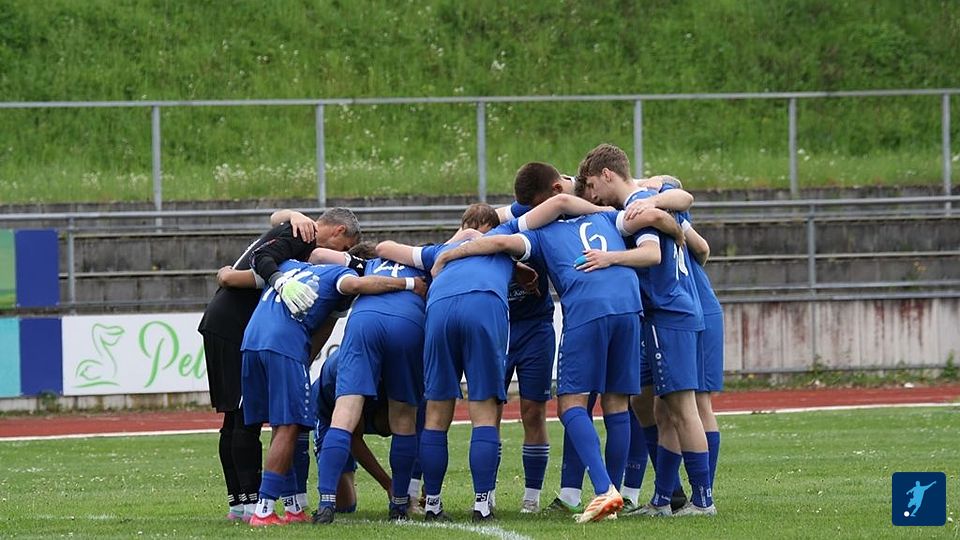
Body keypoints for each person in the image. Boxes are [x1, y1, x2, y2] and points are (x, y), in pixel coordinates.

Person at [430, 188, 683, 523]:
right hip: (628, 306)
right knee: (617, 404)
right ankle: (615, 499)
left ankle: (605, 490)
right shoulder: (608, 217)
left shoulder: (540, 231)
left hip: (587, 308)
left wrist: (449, 253)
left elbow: (500, 242)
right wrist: (677, 230)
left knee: (570, 406)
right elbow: (656, 213)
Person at [234, 248, 427, 527]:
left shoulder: (286, 266)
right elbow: (356, 285)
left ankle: (297, 506)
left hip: (250, 342)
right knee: (289, 427)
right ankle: (265, 511)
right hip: (285, 346)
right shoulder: (340, 274)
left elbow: (236, 275)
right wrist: (408, 284)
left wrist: (225, 273)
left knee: (280, 427)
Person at [579, 143, 715, 517]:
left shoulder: (637, 206)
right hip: (670, 312)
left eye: (592, 185)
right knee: (656, 405)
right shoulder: (644, 201)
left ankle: (703, 500)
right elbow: (678, 203)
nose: (592, 194)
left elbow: (652, 253)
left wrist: (609, 258)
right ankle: (663, 499)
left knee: (683, 408)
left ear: (607, 175)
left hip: (669, 312)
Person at [197, 209, 345, 522]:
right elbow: (260, 263)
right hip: (233, 325)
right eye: (343, 248)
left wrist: (292, 214)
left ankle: (240, 503)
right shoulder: (303, 236)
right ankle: (252, 505)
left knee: (234, 417)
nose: (337, 256)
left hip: (224, 322)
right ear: (339, 231)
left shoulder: (295, 229)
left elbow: (269, 233)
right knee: (243, 418)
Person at [375, 203, 509, 522]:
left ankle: (433, 503)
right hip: (483, 303)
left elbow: (383, 247)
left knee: (435, 414)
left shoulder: (439, 251)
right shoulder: (504, 240)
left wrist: (455, 240)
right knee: (484, 411)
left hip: (439, 309)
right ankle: (482, 503)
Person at [312, 247, 430, 525]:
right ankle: (399, 503)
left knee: (344, 416)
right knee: (404, 420)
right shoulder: (425, 262)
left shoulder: (366, 265)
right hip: (409, 324)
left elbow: (317, 254)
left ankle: (325, 504)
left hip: (363, 324)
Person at [491, 166, 576, 513]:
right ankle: (486, 494)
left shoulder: (556, 216)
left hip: (536, 328)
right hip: (497, 327)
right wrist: (514, 268)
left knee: (533, 411)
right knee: (489, 410)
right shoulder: (512, 217)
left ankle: (532, 497)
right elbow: (484, 228)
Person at [311, 351, 393, 516]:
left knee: (406, 424)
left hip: (370, 395)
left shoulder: (399, 373)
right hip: (329, 411)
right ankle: (325, 502)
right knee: (345, 505)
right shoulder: (353, 373)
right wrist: (389, 485)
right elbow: (354, 440)